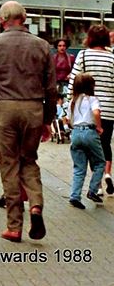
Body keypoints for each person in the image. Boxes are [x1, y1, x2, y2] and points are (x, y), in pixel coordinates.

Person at [0, 1, 56, 242]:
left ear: (2, 20)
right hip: (33, 108)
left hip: (3, 109)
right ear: (25, 18)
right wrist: (48, 118)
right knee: (29, 160)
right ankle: (36, 205)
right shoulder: (42, 46)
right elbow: (51, 88)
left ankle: (14, 226)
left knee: (9, 165)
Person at [66, 25, 114, 197]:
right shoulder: (112, 58)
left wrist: (68, 107)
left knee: (89, 149)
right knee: (104, 145)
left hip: (84, 109)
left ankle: (96, 184)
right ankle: (105, 175)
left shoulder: (83, 55)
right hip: (107, 110)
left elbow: (73, 81)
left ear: (90, 38)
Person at [64, 72, 106, 209]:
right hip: (90, 132)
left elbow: (67, 119)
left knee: (79, 167)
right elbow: (96, 113)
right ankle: (92, 190)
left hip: (76, 133)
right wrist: (99, 127)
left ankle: (75, 196)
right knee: (100, 162)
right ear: (90, 86)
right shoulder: (92, 99)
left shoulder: (72, 101)